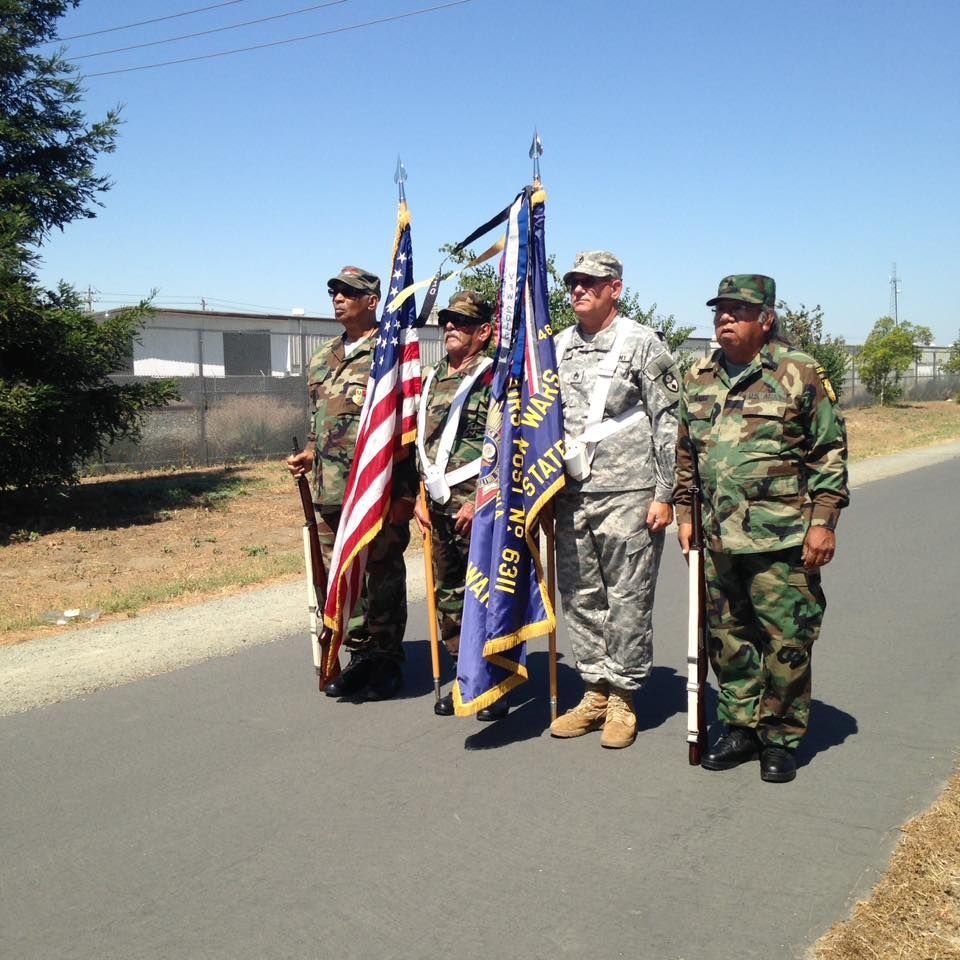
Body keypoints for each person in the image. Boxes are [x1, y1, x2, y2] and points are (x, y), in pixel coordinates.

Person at [674, 274, 849, 783]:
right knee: (728, 638)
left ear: (765, 319)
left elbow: (828, 454)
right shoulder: (699, 375)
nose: (725, 318)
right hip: (718, 536)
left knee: (786, 638)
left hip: (783, 537)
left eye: (738, 310)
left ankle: (780, 737)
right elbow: (686, 455)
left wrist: (824, 523)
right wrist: (685, 516)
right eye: (720, 310)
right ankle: (740, 727)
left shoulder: (799, 372)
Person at [550, 251, 681, 749]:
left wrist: (665, 493)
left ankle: (624, 697)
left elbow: (667, 422)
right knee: (582, 596)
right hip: (572, 494)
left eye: (591, 282)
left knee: (628, 597)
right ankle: (594, 691)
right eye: (574, 282)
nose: (579, 289)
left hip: (630, 492)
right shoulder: (558, 347)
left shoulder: (642, 343)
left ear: (615, 289)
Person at [287, 266, 416, 701]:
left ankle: (387, 659)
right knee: (342, 577)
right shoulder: (323, 357)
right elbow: (316, 419)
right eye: (334, 292)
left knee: (380, 573)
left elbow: (406, 431)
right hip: (330, 492)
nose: (338, 298)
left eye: (348, 292)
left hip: (376, 493)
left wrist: (404, 493)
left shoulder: (391, 353)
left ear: (372, 300)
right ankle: (360, 655)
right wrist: (308, 451)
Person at [413, 290, 500, 718]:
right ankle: (465, 676)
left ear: (483, 332)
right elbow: (423, 443)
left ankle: (494, 682)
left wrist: (481, 499)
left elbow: (505, 445)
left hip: (477, 507)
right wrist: (418, 496)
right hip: (437, 503)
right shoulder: (432, 377)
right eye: (448, 320)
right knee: (447, 593)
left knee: (484, 594)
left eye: (462, 322)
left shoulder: (494, 377)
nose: (451, 327)